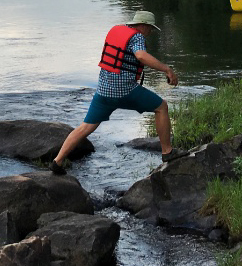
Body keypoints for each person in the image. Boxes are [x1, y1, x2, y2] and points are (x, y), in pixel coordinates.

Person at [50, 11, 181, 174]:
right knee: (161, 107)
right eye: (150, 28)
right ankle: (167, 152)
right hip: (124, 90)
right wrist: (167, 69)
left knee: (85, 127)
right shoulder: (137, 37)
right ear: (143, 26)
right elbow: (140, 55)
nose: (151, 31)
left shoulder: (118, 31)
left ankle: (57, 161)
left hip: (103, 91)